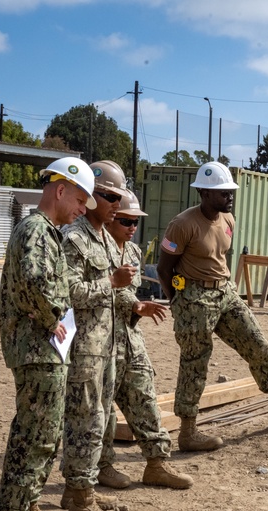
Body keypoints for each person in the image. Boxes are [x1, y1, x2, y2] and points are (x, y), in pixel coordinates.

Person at [156, 161, 268, 450]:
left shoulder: (229, 220)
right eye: (223, 193)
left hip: (225, 294)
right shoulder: (182, 225)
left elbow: (219, 257)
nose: (229, 197)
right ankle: (188, 433)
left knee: (258, 345)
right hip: (194, 298)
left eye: (230, 192)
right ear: (203, 193)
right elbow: (163, 268)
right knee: (195, 362)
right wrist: (178, 301)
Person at [0, 157, 96, 511]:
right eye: (80, 201)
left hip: (43, 348)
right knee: (36, 431)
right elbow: (35, 283)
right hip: (37, 348)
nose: (81, 210)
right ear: (60, 190)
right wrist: (52, 318)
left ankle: (28, 504)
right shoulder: (37, 230)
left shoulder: (42, 230)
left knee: (44, 430)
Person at [98, 190, 194, 490]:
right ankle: (103, 466)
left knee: (145, 399)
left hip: (129, 337)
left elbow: (125, 293)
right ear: (112, 218)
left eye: (135, 222)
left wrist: (137, 305)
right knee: (101, 411)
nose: (131, 227)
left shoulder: (134, 253)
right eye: (126, 220)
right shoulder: (95, 248)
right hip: (100, 341)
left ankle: (157, 464)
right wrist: (130, 301)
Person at [60, 160, 135, 511]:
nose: (115, 205)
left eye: (117, 198)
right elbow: (69, 293)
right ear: (89, 197)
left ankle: (80, 489)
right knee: (84, 421)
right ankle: (80, 501)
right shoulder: (74, 238)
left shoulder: (105, 237)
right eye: (108, 197)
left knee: (100, 419)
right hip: (84, 348)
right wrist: (111, 282)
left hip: (105, 345)